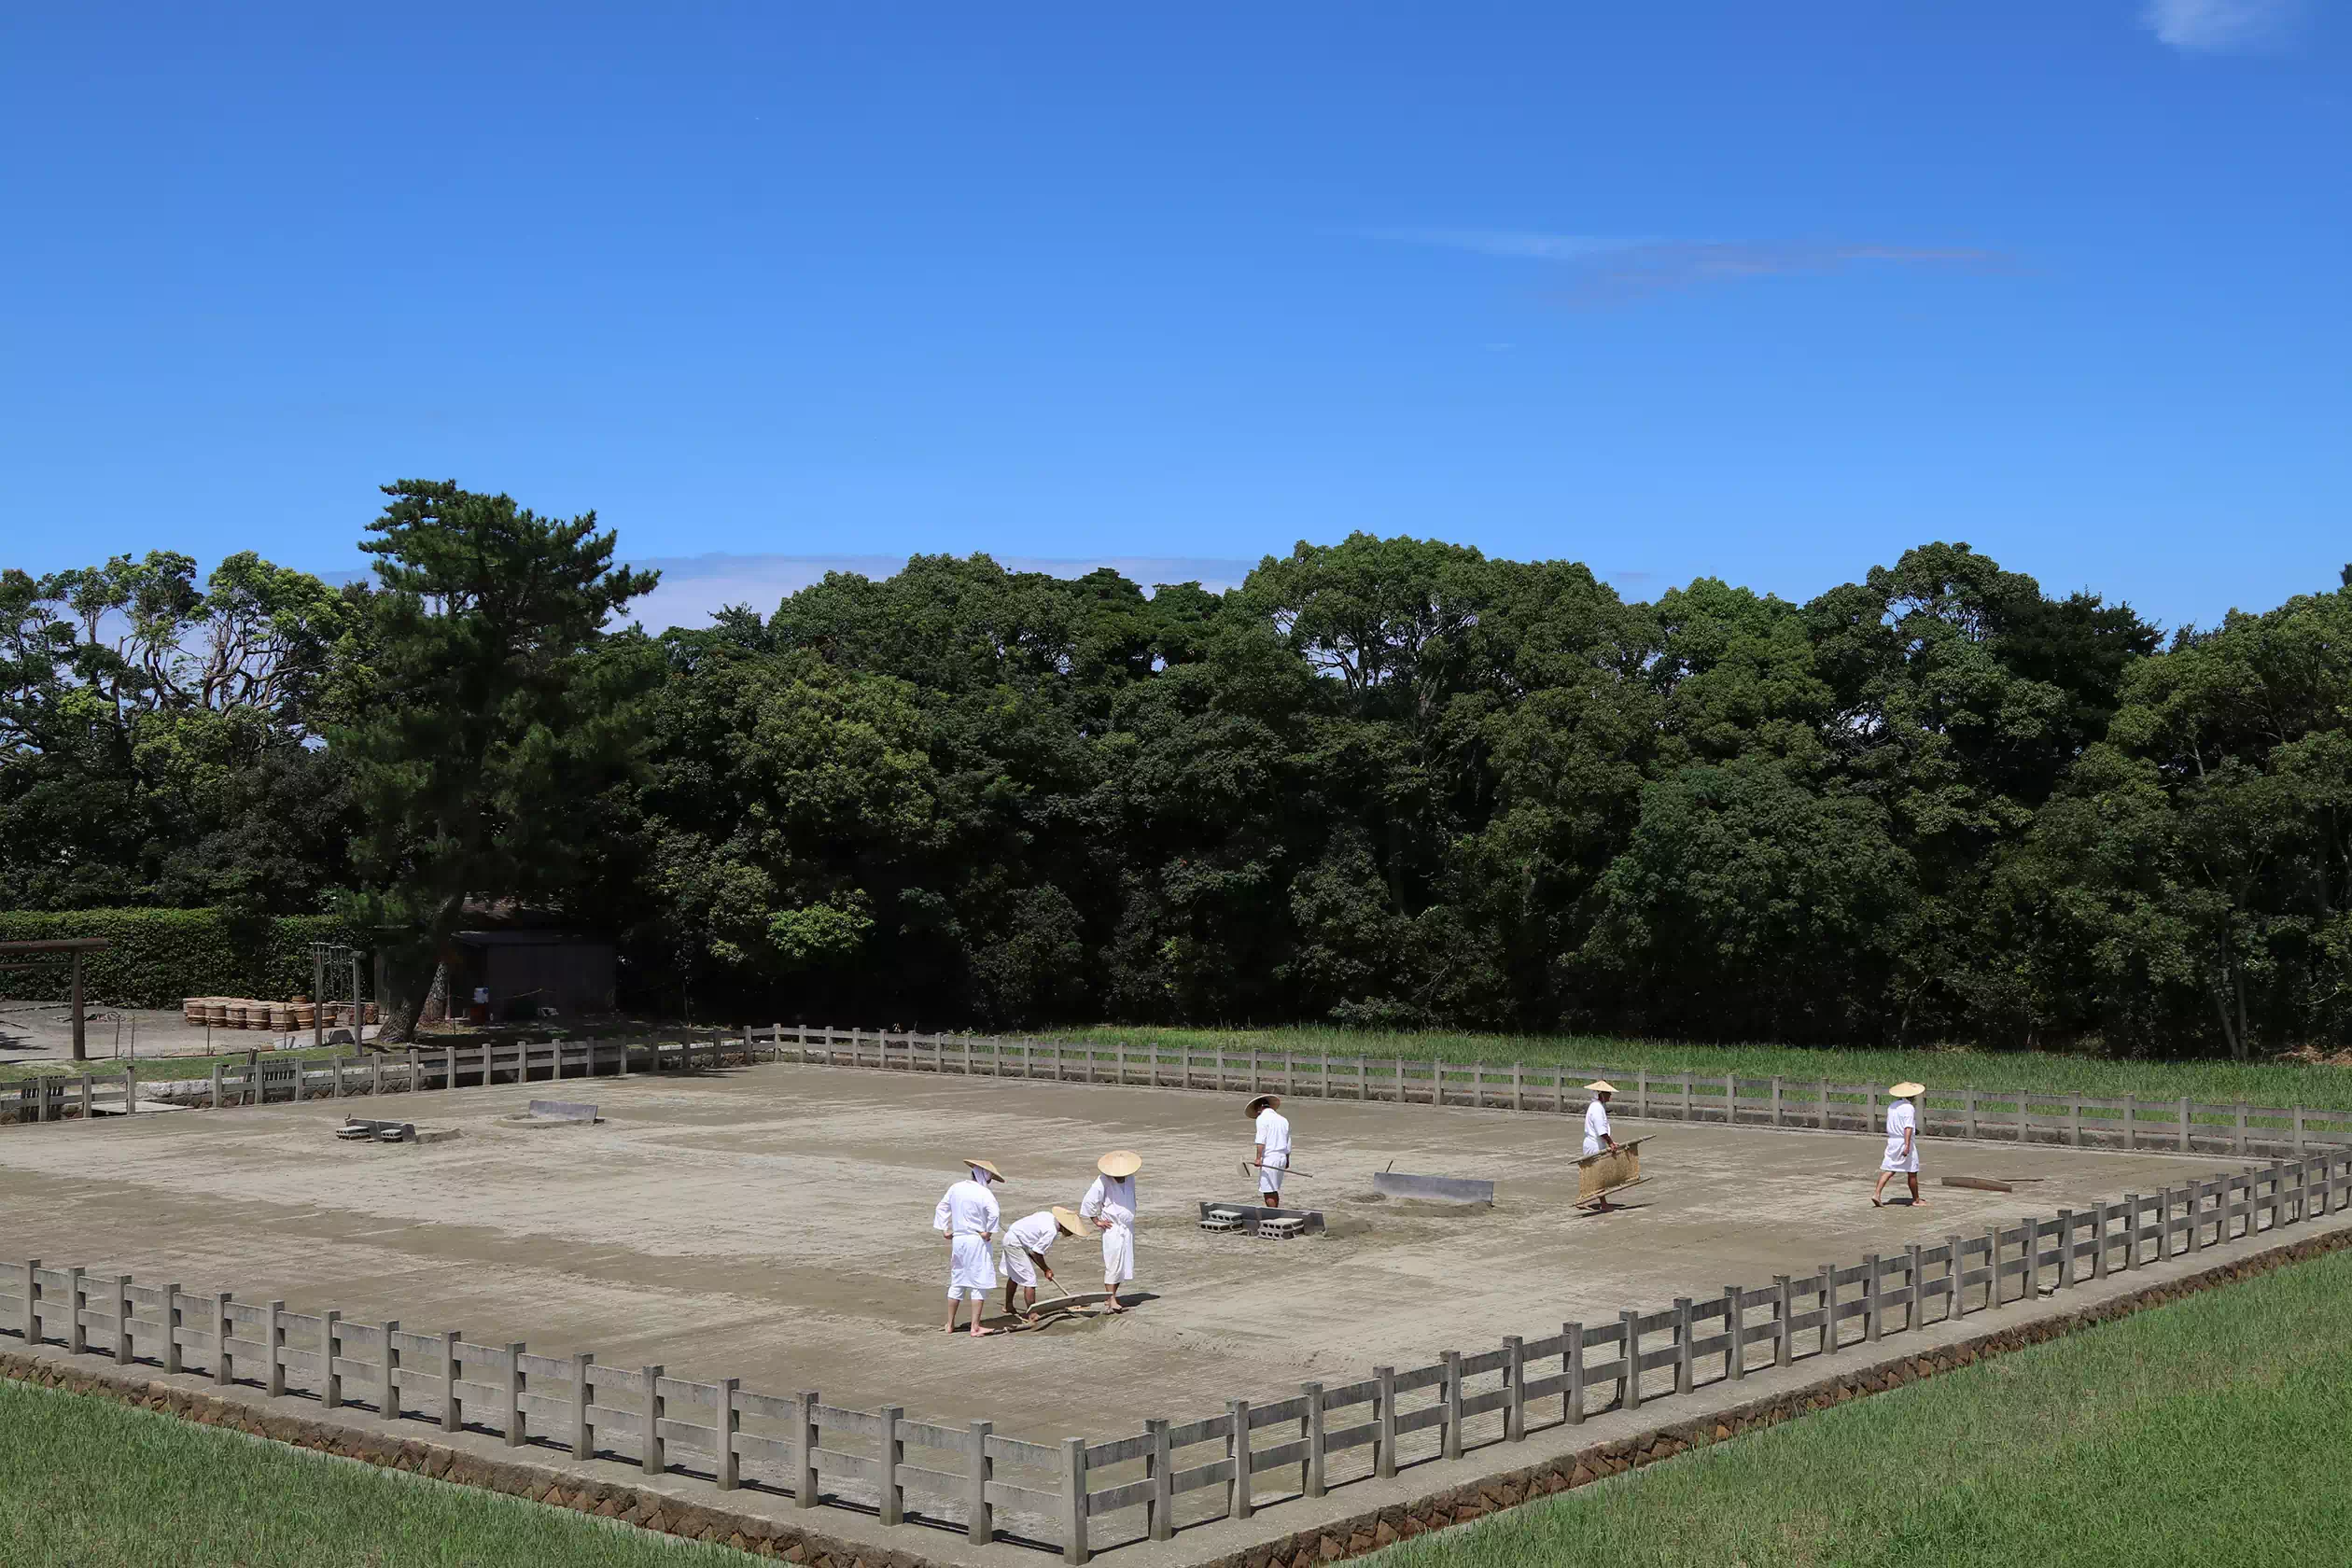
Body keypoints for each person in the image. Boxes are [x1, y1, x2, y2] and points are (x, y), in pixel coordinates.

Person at [934, 1158, 1005, 1336]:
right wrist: (988, 1232)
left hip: (958, 1239)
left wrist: (945, 1229)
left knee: (958, 1279)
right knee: (978, 1281)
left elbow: (942, 1207)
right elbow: (994, 1213)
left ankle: (949, 1324)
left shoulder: (956, 1187)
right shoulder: (984, 1193)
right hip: (975, 1239)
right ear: (985, 1175)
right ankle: (975, 1326)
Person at [1079, 1150, 1142, 1313]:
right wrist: (1097, 1221)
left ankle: (1112, 1296)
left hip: (1127, 1228)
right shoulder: (1102, 1181)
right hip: (1112, 1227)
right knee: (1113, 1263)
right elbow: (1089, 1201)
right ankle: (1110, 1299)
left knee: (1123, 1265)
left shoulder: (1130, 1179)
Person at [999, 1205, 1085, 1325]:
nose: (1071, 1233)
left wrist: (1042, 1266)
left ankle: (1008, 1306)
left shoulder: (1047, 1215)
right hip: (1015, 1243)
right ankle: (1032, 1314)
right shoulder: (1051, 1231)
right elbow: (1037, 1252)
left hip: (1015, 1239)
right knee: (1029, 1279)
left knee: (1016, 1274)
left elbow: (1033, 1245)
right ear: (1065, 1227)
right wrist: (1046, 1269)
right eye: (1071, 1230)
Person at [1873, 1084, 1926, 1209]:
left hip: (1892, 1140)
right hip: (1903, 1141)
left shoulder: (1892, 1106)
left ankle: (1876, 1194)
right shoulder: (1908, 1107)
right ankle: (1916, 1199)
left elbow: (1896, 1124)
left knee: (1890, 1168)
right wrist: (1907, 1145)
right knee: (1912, 1171)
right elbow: (1907, 1127)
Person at [1247, 1093, 1291, 1208]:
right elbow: (1288, 1142)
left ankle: (1273, 1216)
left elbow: (1261, 1140)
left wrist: (1258, 1158)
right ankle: (1275, 1211)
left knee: (1268, 1190)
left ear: (1259, 1108)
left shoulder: (1262, 1118)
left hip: (1270, 1158)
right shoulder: (1283, 1119)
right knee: (1273, 1188)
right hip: (1281, 1157)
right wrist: (1287, 1159)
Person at [1582, 1081, 1617, 1156]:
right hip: (1595, 1146)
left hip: (1596, 1144)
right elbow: (1601, 1130)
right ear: (1601, 1094)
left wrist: (1611, 1142)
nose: (1610, 1094)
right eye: (1608, 1092)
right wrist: (1610, 1143)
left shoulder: (1596, 1106)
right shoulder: (1597, 1107)